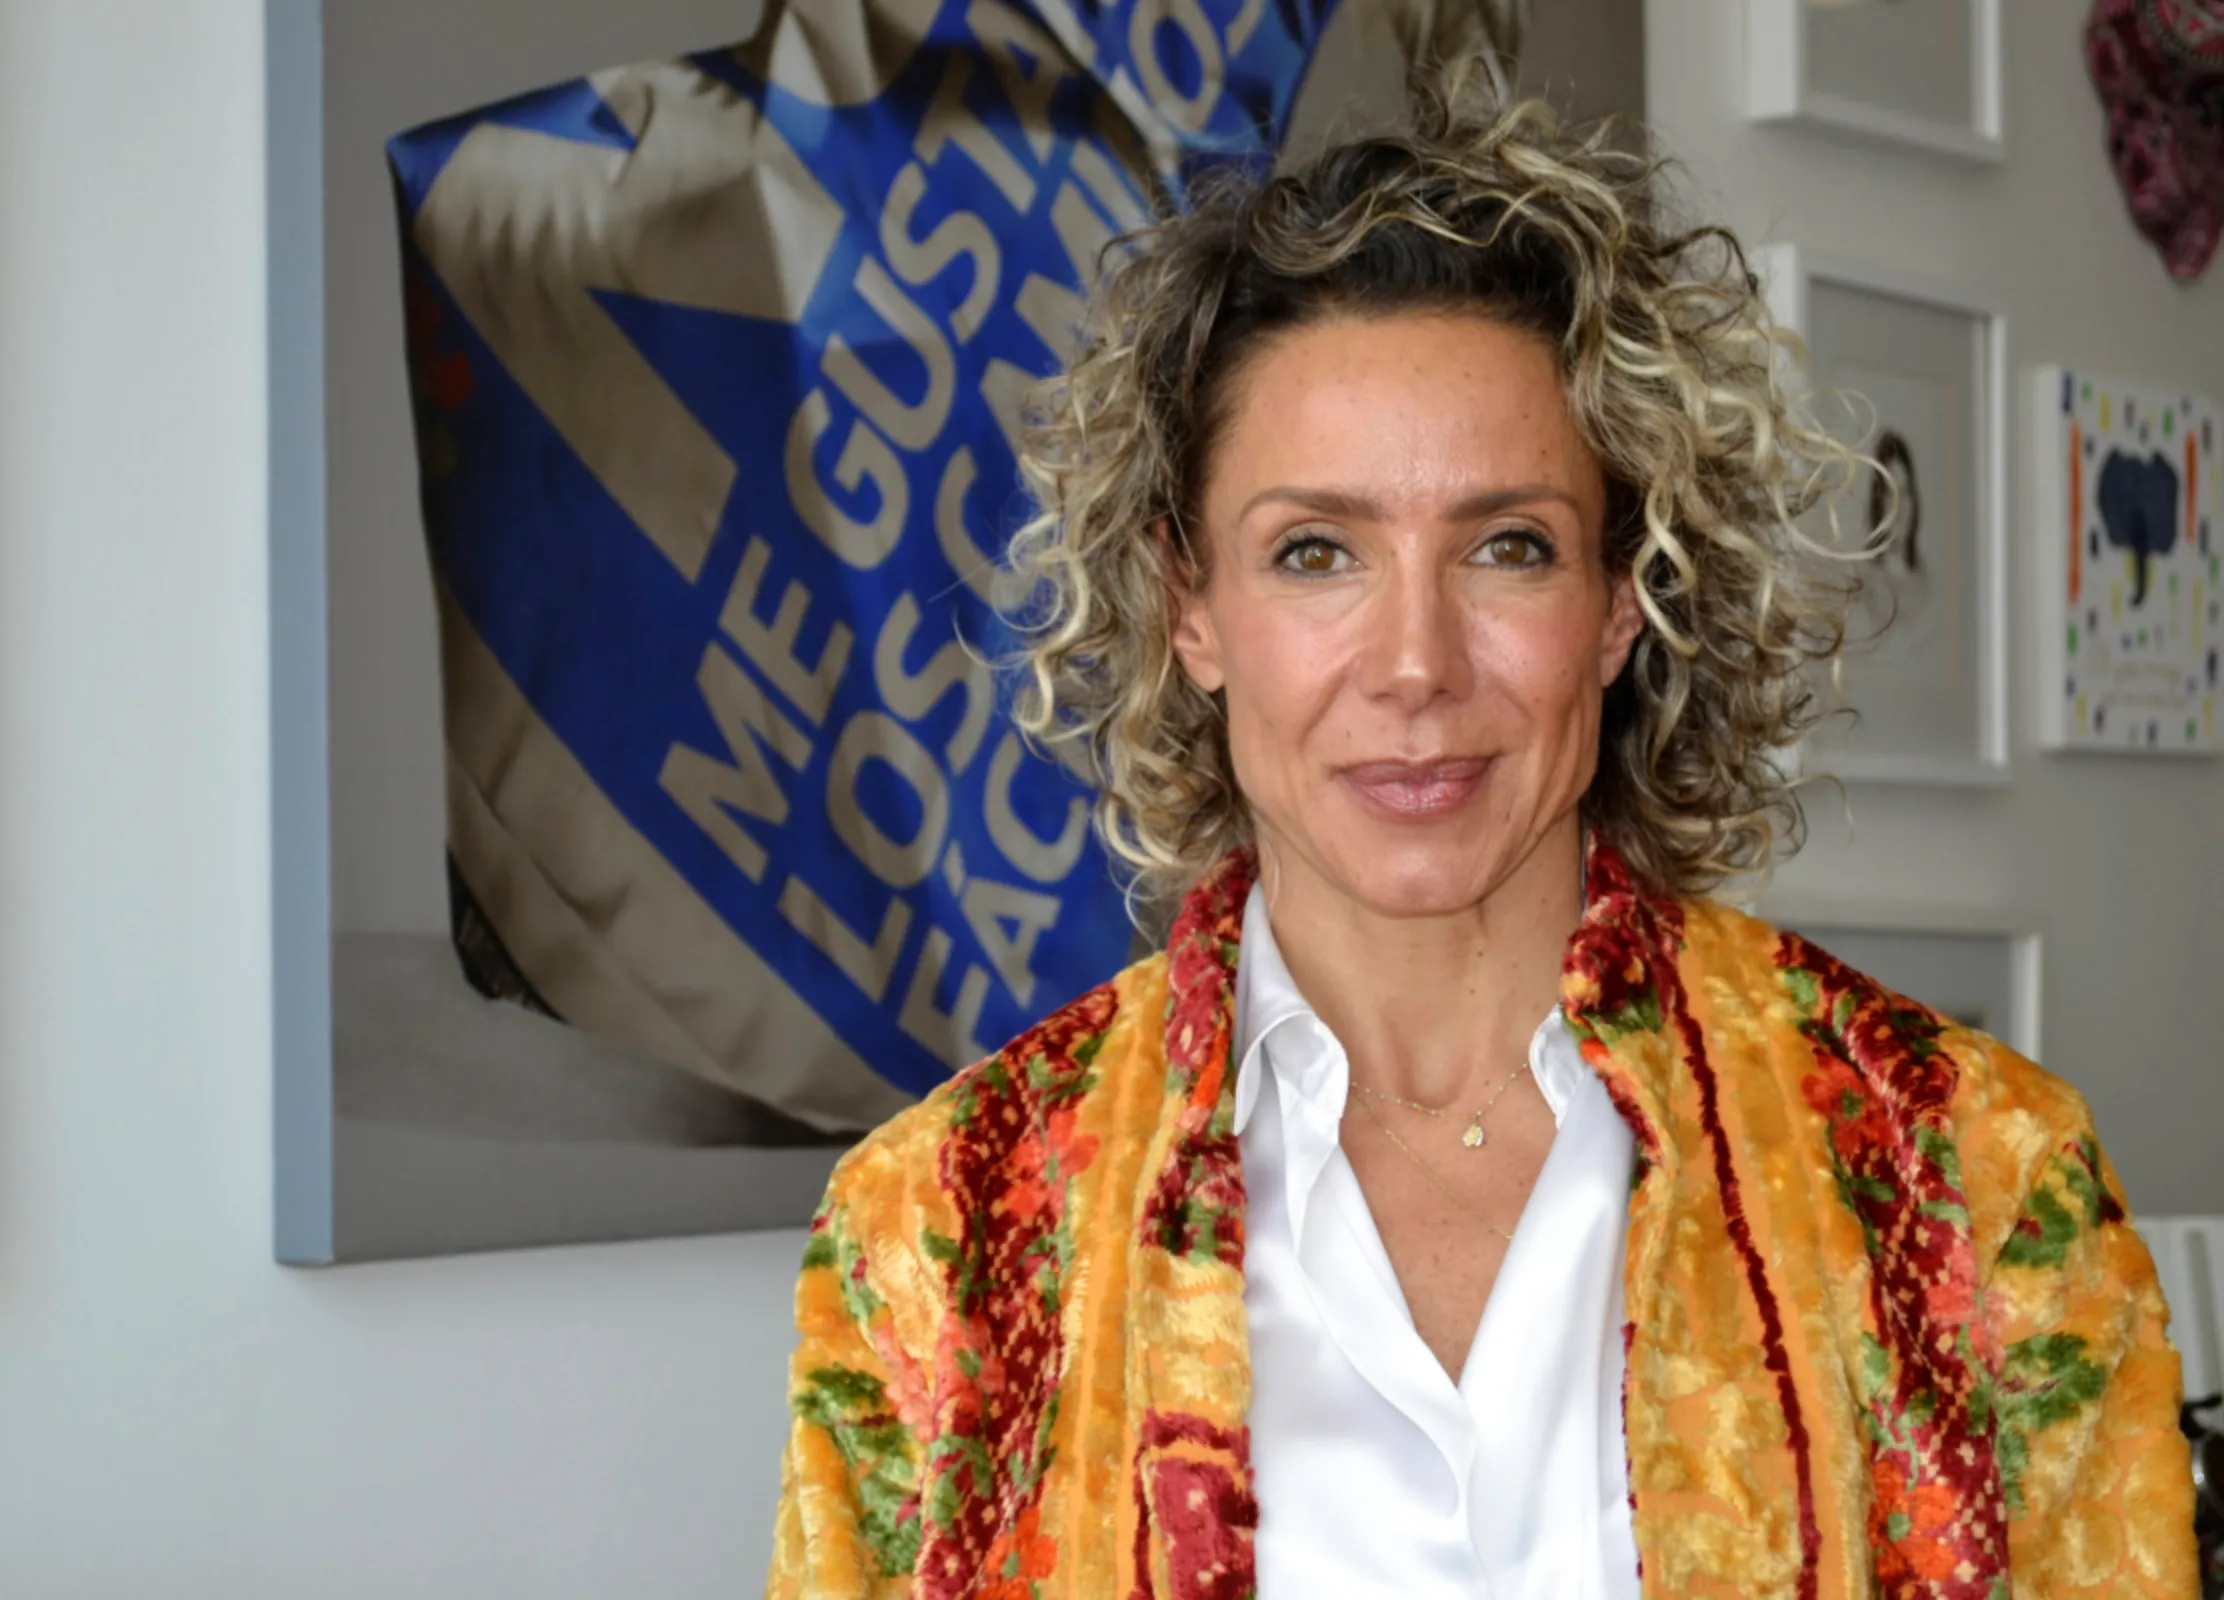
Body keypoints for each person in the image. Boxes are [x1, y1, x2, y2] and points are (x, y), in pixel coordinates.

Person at [766, 87, 2197, 1600]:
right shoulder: (937, 1237)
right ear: (1189, 607)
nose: (1415, 665)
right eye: (1316, 553)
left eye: (1507, 546)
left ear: (1620, 600)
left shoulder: (1971, 1176)